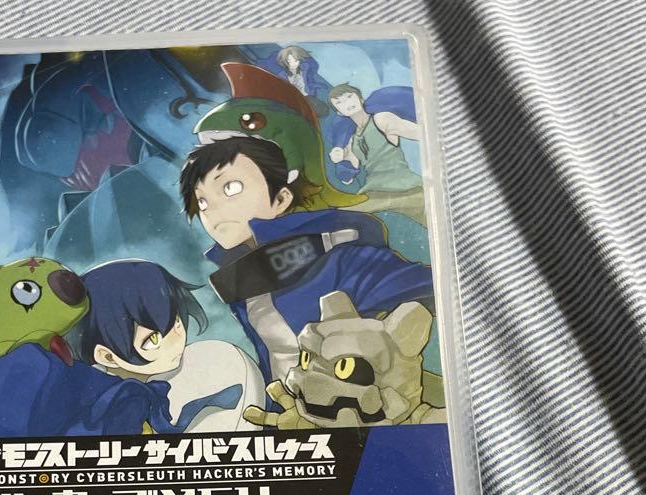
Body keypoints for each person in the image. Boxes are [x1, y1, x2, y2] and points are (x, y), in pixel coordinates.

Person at [179, 136, 434, 386]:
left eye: (230, 188)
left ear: (281, 199)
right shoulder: (239, 279)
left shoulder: (340, 256)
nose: (213, 209)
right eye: (202, 201)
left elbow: (433, 290)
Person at [77, 259, 265, 431]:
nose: (176, 342)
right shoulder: (107, 405)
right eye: (152, 340)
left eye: (176, 322)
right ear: (107, 356)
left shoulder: (206, 362)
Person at [327, 83, 425, 225]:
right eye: (339, 102)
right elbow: (348, 177)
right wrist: (341, 156)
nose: (347, 102)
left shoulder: (381, 119)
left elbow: (424, 134)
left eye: (349, 97)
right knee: (336, 218)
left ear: (361, 99)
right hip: (374, 192)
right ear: (339, 112)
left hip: (406, 188)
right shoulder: (352, 138)